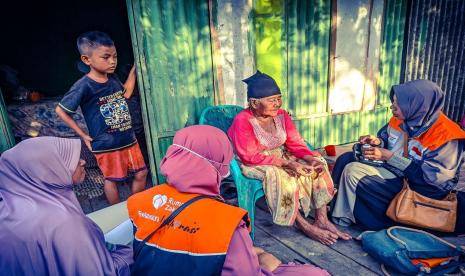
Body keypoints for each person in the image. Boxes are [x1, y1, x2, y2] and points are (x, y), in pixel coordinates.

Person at [127, 125, 330, 275]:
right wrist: (268, 265)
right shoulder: (227, 223)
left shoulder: (140, 201)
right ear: (219, 165)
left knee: (256, 252)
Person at [227, 71, 350, 245]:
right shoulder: (243, 120)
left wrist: (309, 157)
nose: (277, 103)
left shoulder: (282, 115)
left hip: (281, 155)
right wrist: (288, 164)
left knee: (319, 164)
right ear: (254, 103)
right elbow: (249, 155)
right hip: (254, 161)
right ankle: (304, 226)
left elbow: (295, 142)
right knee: (283, 177)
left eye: (279, 98)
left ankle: (321, 218)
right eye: (272, 100)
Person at [330, 79, 465, 235]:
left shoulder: (447, 136)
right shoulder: (401, 118)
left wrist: (390, 157)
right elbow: (386, 139)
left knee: (354, 172)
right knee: (346, 159)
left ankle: (346, 219)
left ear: (417, 105)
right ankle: (332, 207)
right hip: (396, 172)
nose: (392, 107)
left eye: (398, 104)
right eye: (393, 102)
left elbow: (432, 181)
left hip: (422, 188)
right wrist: (377, 142)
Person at [0, 137, 133, 275]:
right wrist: (134, 253)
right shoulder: (65, 224)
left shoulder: (7, 208)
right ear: (49, 170)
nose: (83, 162)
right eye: (68, 160)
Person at [56, 31, 148, 205]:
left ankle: (134, 208)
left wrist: (135, 70)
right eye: (106, 57)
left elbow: (126, 93)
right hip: (106, 143)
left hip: (128, 139)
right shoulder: (83, 86)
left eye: (114, 56)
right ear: (86, 60)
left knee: (141, 173)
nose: (112, 61)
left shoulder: (112, 79)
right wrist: (82, 135)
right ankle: (118, 214)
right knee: (112, 179)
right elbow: (61, 111)